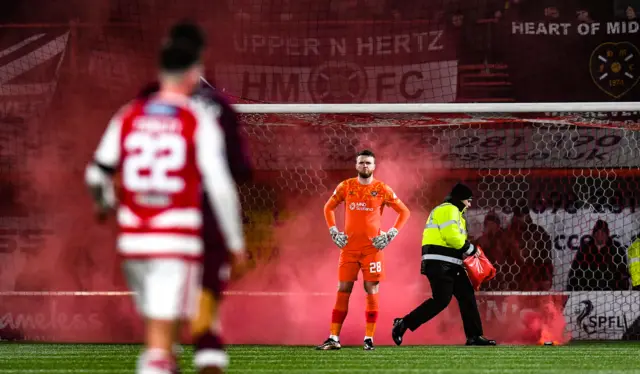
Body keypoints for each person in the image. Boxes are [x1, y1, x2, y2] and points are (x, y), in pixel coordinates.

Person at [84, 22, 246, 374]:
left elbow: (96, 174)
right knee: (187, 333)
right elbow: (222, 181)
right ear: (195, 67)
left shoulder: (132, 111)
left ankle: (178, 356)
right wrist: (236, 240)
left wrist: (107, 205)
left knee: (158, 339)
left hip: (135, 239)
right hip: (180, 232)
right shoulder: (199, 115)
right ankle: (203, 352)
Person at [138, 25, 253, 374]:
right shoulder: (216, 105)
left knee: (163, 318)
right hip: (204, 217)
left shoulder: (145, 100)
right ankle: (205, 349)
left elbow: (110, 167)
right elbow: (235, 173)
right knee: (205, 311)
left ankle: (161, 357)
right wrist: (236, 240)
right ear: (200, 56)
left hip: (155, 218)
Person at [316, 149, 410, 351]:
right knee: (343, 290)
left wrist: (390, 234)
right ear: (356, 165)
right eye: (361, 163)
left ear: (374, 166)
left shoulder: (382, 189)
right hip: (348, 249)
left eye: (368, 163)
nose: (365, 166)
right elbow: (328, 208)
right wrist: (334, 231)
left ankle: (369, 338)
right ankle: (333, 338)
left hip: (372, 250)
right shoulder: (346, 186)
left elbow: (404, 211)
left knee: (372, 290)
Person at [391, 183, 496, 346]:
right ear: (461, 199)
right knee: (441, 300)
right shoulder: (449, 210)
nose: (469, 205)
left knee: (466, 295)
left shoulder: (449, 211)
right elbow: (451, 236)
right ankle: (403, 324)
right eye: (468, 201)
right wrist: (471, 249)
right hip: (440, 262)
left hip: (449, 263)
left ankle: (474, 336)